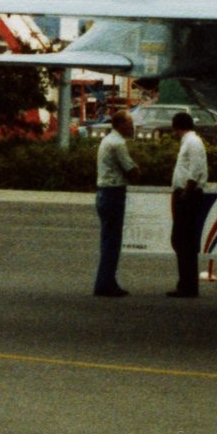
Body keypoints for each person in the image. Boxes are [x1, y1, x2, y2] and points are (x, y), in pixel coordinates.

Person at [167, 110, 211, 297]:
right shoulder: (190, 142)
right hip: (185, 194)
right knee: (181, 239)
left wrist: (186, 191)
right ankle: (185, 283)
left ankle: (188, 285)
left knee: (183, 239)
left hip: (188, 195)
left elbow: (195, 169)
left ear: (178, 127)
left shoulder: (192, 142)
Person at [93, 112, 136, 297]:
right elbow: (131, 169)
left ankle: (106, 280)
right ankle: (105, 283)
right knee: (112, 241)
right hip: (113, 193)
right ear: (120, 124)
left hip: (103, 192)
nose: (132, 126)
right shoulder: (118, 143)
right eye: (130, 122)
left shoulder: (107, 140)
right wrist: (137, 170)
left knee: (107, 240)